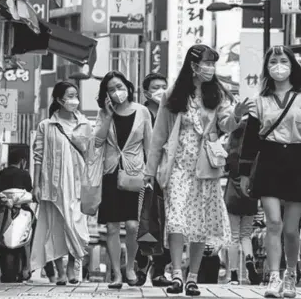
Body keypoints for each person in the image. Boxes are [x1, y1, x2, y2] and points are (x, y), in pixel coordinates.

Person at [144, 44, 254, 296]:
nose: (210, 68)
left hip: (206, 167)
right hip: (177, 166)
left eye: (213, 63)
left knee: (201, 223)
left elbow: (226, 124)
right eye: (206, 62)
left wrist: (236, 116)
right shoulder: (173, 94)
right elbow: (159, 134)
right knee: (176, 220)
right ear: (193, 65)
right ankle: (176, 275)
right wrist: (150, 172)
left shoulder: (218, 93)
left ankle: (192, 277)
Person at [238, 45, 301, 298]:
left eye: (283, 60)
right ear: (267, 68)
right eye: (273, 62)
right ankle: (273, 277)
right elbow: (250, 141)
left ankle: (291, 274)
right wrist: (244, 173)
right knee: (273, 223)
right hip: (268, 161)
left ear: (292, 65)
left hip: (297, 162)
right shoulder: (259, 101)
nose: (278, 66)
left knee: (291, 229)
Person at [94, 71, 152, 289]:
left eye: (119, 86)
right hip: (110, 173)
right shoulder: (103, 113)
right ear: (106, 94)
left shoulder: (142, 111)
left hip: (135, 173)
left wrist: (151, 173)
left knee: (133, 225)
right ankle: (116, 274)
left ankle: (130, 267)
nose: (117, 92)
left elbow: (150, 144)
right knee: (111, 227)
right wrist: (108, 116)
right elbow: (97, 142)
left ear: (128, 86)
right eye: (111, 89)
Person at [31, 81, 91, 285]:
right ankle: (60, 272)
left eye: (76, 95)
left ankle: (72, 267)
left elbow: (90, 155)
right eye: (69, 95)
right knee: (55, 228)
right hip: (53, 185)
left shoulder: (85, 124)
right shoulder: (46, 126)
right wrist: (36, 185)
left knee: (77, 226)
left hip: (79, 185)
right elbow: (38, 157)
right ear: (59, 99)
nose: (74, 99)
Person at [134, 72, 172, 287]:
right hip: (145, 174)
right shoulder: (142, 113)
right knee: (147, 220)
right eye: (156, 87)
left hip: (168, 173)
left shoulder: (171, 113)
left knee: (167, 223)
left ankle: (159, 269)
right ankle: (141, 263)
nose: (161, 90)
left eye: (164, 86)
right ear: (146, 92)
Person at [224, 120, 261, 285]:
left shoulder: (231, 152)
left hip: (232, 197)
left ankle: (233, 276)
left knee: (233, 236)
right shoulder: (254, 154)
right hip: (250, 196)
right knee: (246, 235)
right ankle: (248, 260)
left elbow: (225, 170)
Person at [0, 148, 33, 282]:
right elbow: (29, 191)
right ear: (22, 161)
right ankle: (27, 266)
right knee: (31, 230)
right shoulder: (24, 174)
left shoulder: (1, 173)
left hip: (4, 209)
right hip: (22, 209)